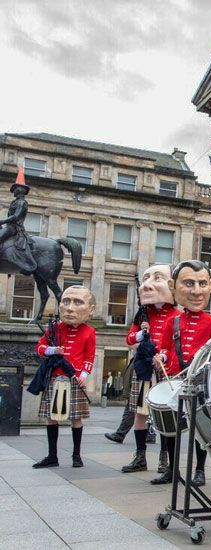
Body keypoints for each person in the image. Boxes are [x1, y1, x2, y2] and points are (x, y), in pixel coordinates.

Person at [151, 260, 211, 487]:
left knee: (200, 429)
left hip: (198, 381)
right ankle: (171, 469)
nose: (196, 291)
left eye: (202, 284)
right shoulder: (174, 321)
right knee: (170, 428)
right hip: (175, 379)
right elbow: (164, 347)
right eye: (189, 284)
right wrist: (160, 357)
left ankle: (199, 471)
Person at [120, 264, 180, 474]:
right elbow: (129, 338)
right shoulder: (142, 315)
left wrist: (163, 355)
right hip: (143, 367)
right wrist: (140, 334)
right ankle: (140, 456)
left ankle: (164, 457)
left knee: (164, 415)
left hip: (165, 369)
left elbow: (175, 346)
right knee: (140, 413)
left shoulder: (176, 315)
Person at [32, 286, 96, 468]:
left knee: (76, 418)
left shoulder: (89, 331)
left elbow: (89, 358)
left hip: (74, 379)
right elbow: (39, 348)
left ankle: (77, 455)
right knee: (51, 417)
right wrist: (53, 350)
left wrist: (83, 375)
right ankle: (52, 456)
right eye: (66, 302)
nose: (69, 308)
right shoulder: (54, 328)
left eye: (77, 302)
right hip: (55, 378)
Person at [0, 167, 36, 274]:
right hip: (10, 226)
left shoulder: (22, 203)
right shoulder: (14, 202)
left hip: (15, 228)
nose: (14, 191)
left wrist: (2, 221)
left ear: (20, 189)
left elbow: (15, 217)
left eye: (15, 188)